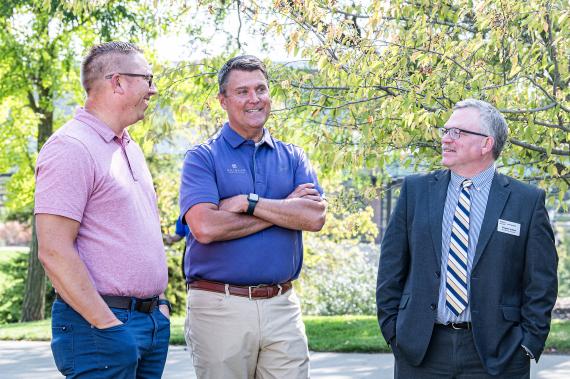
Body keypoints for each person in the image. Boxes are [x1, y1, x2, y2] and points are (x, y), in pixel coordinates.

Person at [376, 99, 558, 378]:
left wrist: (528, 345)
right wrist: (393, 332)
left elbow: (541, 282)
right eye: (445, 131)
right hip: (421, 352)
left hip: (499, 355)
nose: (446, 139)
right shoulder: (415, 192)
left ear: (486, 144)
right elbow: (391, 268)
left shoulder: (526, 201)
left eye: (457, 132)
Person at [179, 55, 327, 379]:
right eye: (242, 91)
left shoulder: (293, 156)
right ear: (223, 100)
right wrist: (286, 209)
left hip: (282, 305)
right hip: (219, 305)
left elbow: (314, 217)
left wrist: (248, 202)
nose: (254, 99)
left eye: (260, 89)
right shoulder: (202, 158)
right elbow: (205, 227)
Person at [35, 41, 171, 378]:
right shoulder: (71, 148)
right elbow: (53, 251)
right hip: (100, 327)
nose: (153, 90)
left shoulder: (129, 146)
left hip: (149, 322)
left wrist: (161, 306)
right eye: (148, 79)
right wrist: (108, 326)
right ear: (118, 82)